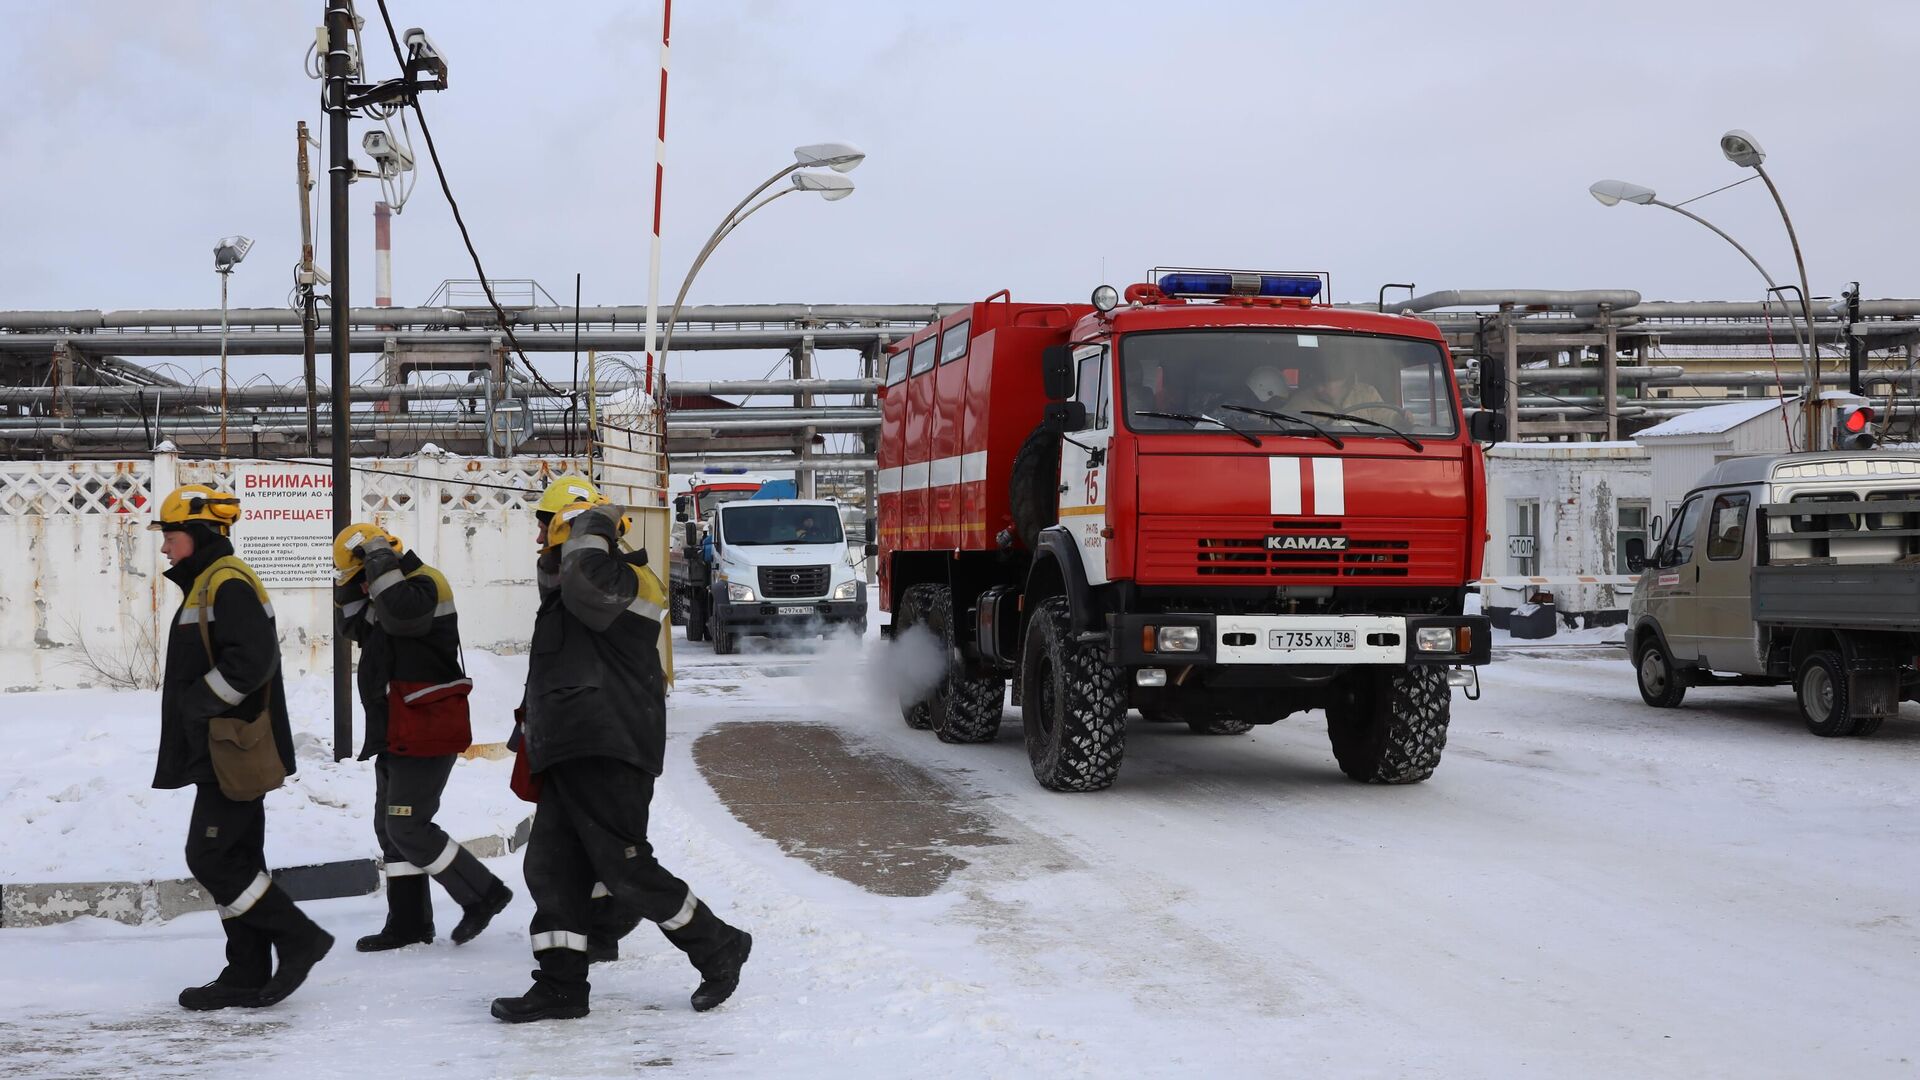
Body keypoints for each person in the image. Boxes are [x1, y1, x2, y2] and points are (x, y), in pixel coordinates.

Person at [491, 477, 753, 1023]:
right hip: (572, 748)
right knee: (550, 868)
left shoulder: (634, 582)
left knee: (626, 868)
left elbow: (587, 582)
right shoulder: (571, 592)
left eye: (546, 526)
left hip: (611, 747)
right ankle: (561, 986)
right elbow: (563, 586)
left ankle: (718, 943)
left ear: (572, 526)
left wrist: (590, 522)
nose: (538, 538)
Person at [149, 484, 333, 1011]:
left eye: (171, 535)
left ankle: (299, 937)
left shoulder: (225, 583)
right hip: (224, 747)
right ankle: (247, 972)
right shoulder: (209, 581)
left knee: (209, 855)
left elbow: (251, 663)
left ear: (199, 533)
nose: (164, 548)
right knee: (238, 857)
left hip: (231, 750)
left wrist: (197, 704)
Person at [332, 523, 514, 954]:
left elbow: (401, 616)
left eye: (363, 574)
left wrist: (376, 561)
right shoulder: (385, 590)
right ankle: (409, 923)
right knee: (389, 828)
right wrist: (356, 579)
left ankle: (483, 893)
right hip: (396, 726)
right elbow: (354, 626)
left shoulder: (424, 584)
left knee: (407, 825)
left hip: (425, 724)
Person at [1286, 360, 1400, 422]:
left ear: (1343, 381)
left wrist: (1401, 419)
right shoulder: (1301, 401)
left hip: (1365, 453)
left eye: (1324, 384)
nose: (1318, 389)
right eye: (1316, 383)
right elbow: (1280, 423)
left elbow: (1386, 418)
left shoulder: (1367, 394)